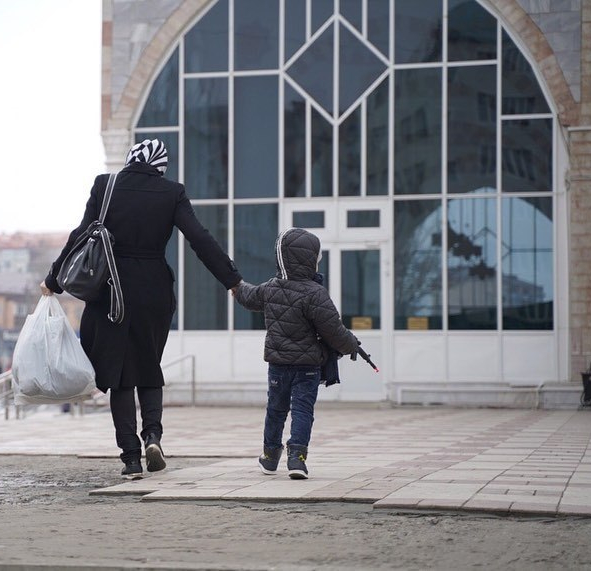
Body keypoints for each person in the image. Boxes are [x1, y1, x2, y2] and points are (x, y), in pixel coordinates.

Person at [42, 139, 242, 479]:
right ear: (161, 167)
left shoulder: (106, 185)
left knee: (120, 377)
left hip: (111, 290)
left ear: (130, 160)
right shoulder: (171, 192)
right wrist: (232, 280)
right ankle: (153, 435)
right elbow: (199, 238)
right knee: (148, 365)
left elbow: (80, 234)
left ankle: (131, 460)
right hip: (153, 291)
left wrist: (54, 279)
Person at [231, 228, 359, 479]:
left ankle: (269, 457)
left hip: (278, 364)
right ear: (310, 259)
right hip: (308, 366)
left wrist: (236, 284)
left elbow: (248, 296)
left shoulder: (271, 288)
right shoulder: (315, 293)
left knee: (276, 409)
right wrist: (351, 345)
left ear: (282, 258)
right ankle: (297, 458)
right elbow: (334, 330)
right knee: (302, 410)